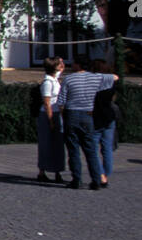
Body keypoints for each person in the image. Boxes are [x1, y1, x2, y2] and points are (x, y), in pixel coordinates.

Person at [55, 57, 117, 191]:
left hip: (72, 113)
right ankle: (96, 180)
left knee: (73, 149)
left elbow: (61, 101)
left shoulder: (69, 79)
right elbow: (114, 77)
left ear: (77, 65)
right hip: (88, 114)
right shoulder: (96, 78)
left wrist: (63, 116)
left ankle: (76, 179)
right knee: (91, 150)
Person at [35, 56, 66, 183]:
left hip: (57, 113)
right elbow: (47, 103)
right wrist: (51, 120)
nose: (62, 65)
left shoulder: (54, 78)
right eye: (59, 64)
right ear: (54, 67)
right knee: (46, 143)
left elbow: (61, 70)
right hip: (48, 114)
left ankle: (57, 171)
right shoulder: (47, 82)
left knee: (58, 144)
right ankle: (42, 171)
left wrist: (61, 61)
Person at [92, 60, 120, 188]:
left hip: (96, 117)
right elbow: (115, 77)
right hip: (109, 116)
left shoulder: (92, 82)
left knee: (93, 148)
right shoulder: (111, 82)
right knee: (107, 148)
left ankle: (101, 175)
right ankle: (106, 173)